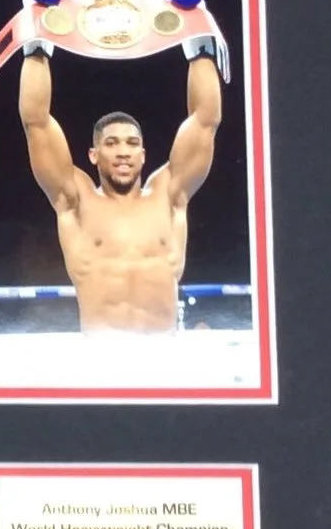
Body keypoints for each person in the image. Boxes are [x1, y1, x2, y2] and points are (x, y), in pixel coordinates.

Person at [16, 38, 223, 334]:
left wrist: (199, 45)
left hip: (165, 358)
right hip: (102, 360)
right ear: (94, 154)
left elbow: (205, 120)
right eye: (111, 144)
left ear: (143, 154)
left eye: (132, 143)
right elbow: (35, 122)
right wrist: (36, 45)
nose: (123, 151)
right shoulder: (77, 200)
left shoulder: (169, 195)